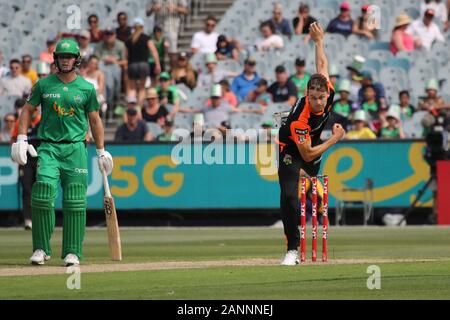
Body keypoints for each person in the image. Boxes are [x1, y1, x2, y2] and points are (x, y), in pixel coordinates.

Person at [10, 38, 113, 266]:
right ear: (55, 58)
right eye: (62, 56)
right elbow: (27, 110)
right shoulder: (44, 85)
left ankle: (72, 252)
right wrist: (22, 137)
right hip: (48, 147)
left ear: (77, 59)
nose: (65, 60)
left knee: (75, 200)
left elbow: (94, 121)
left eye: (69, 57)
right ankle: (40, 249)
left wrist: (102, 151)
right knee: (43, 193)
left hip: (76, 148)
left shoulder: (87, 88)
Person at [277, 22, 345, 266]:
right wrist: (335, 139)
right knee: (287, 195)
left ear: (327, 93)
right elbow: (306, 154)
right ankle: (292, 250)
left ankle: (305, 181)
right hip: (292, 149)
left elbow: (322, 65)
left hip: (313, 146)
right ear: (307, 94)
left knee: (305, 179)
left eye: (321, 98)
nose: (318, 102)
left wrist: (319, 41)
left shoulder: (326, 89)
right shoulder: (300, 119)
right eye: (313, 98)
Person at [125, 17, 161, 105]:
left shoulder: (128, 40)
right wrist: (157, 64)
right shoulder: (146, 38)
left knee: (132, 88)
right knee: (142, 88)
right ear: (142, 27)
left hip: (132, 65)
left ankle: (131, 106)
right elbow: (154, 51)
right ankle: (139, 107)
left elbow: (126, 55)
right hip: (143, 65)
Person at [94, 27, 128, 113]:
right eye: (107, 34)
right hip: (103, 71)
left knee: (114, 71)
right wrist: (105, 60)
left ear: (115, 35)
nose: (109, 36)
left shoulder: (121, 45)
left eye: (111, 34)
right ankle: (104, 100)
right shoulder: (99, 45)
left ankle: (113, 97)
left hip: (116, 69)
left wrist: (114, 61)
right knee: (103, 72)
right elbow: (94, 61)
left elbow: (126, 61)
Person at [146, 0, 189, 68]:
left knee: (172, 52)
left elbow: (187, 10)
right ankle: (159, 73)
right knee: (156, 52)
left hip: (171, 28)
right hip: (158, 28)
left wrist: (175, 8)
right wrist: (153, 8)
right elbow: (147, 13)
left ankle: (173, 72)